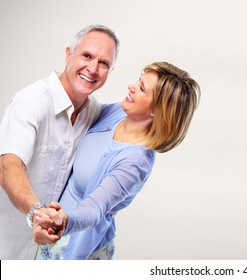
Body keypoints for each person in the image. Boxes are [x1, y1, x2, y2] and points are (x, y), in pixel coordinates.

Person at [32, 61, 200, 260]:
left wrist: (64, 219)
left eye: (142, 88)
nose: (131, 85)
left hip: (76, 245)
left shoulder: (134, 162)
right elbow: (79, 114)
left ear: (157, 110)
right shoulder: (118, 113)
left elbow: (94, 208)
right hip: (54, 229)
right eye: (139, 80)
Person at [0, 24, 119, 260]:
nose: (93, 68)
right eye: (87, 55)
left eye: (104, 63)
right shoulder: (31, 102)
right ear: (68, 55)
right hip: (8, 245)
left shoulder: (95, 112)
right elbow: (7, 166)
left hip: (50, 253)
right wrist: (37, 214)